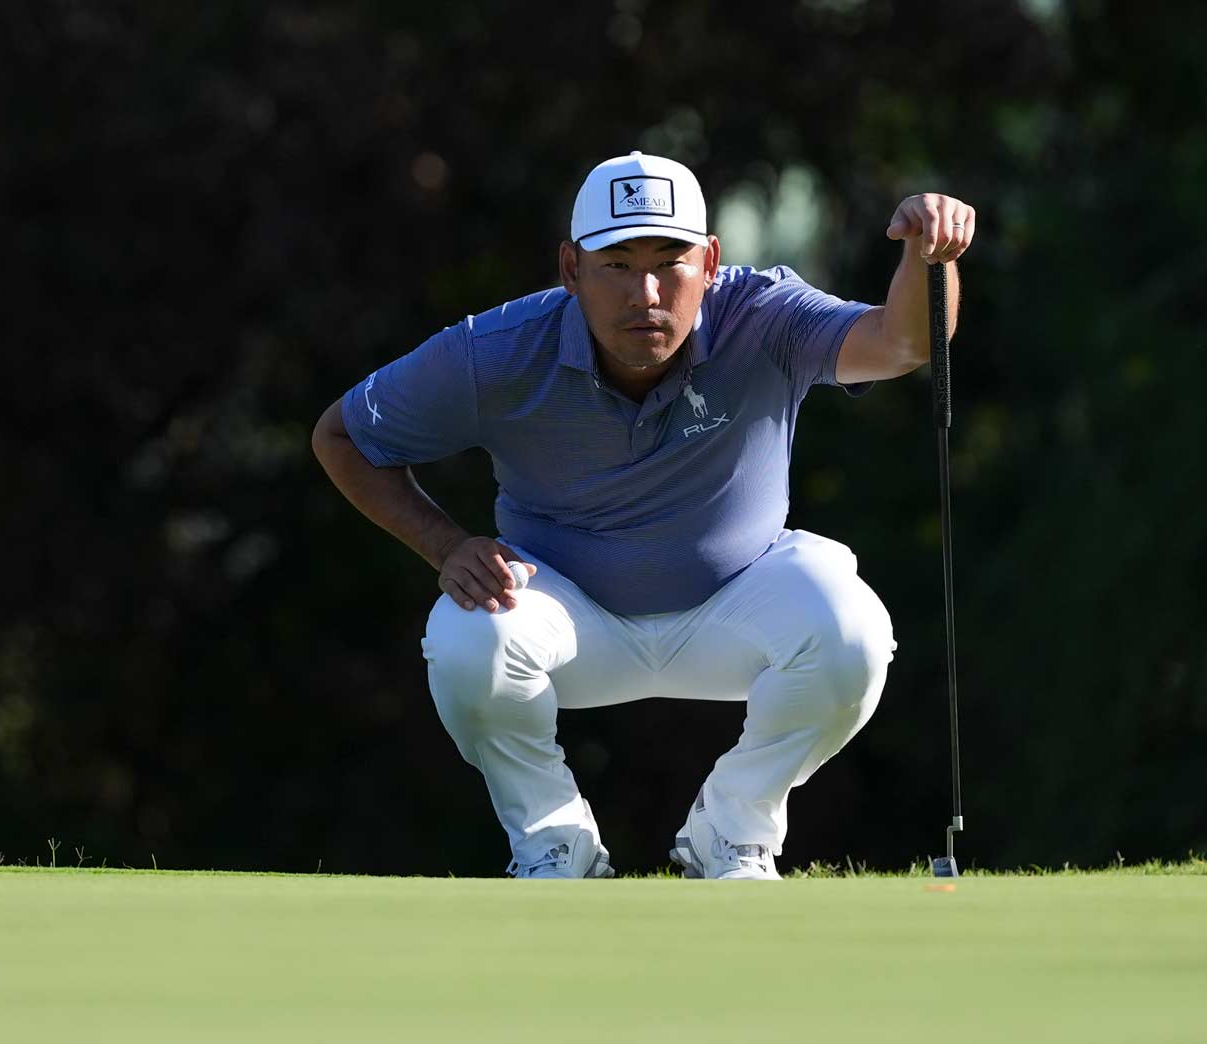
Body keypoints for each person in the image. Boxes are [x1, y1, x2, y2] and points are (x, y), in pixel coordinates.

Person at [312, 151, 972, 879]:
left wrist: (928, 259)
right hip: (564, 614)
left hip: (738, 601)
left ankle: (730, 833)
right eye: (617, 265)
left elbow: (904, 343)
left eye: (671, 261)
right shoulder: (495, 351)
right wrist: (444, 545)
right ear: (571, 269)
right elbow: (342, 435)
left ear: (712, 261)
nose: (646, 293)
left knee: (853, 629)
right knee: (467, 637)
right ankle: (554, 846)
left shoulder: (764, 316)